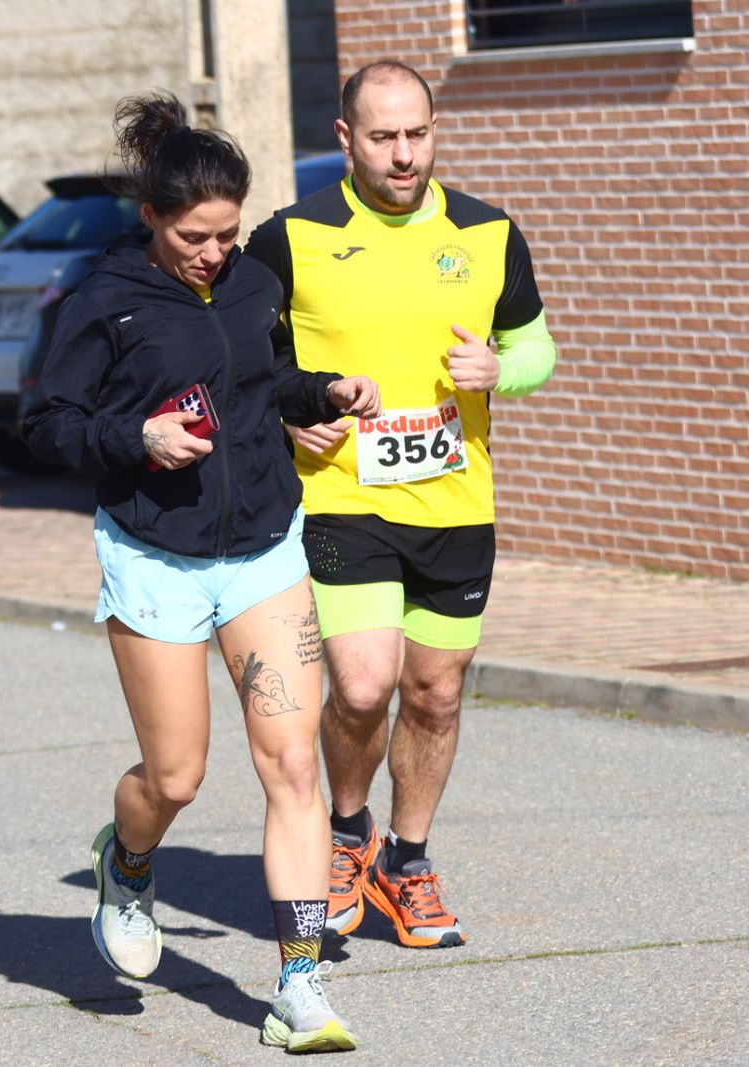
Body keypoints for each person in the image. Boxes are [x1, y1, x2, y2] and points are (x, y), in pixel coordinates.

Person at [22, 94, 381, 1054]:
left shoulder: (255, 281)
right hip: (155, 556)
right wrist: (133, 436)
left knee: (293, 764)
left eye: (227, 233)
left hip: (263, 548)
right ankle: (129, 860)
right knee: (176, 774)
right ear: (151, 216)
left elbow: (264, 378)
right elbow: (45, 423)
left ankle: (299, 983)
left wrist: (324, 390)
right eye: (195, 235)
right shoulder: (105, 297)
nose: (215, 251)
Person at [246, 61, 557, 951]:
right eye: (383, 137)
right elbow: (242, 363)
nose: (404, 154)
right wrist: (286, 417)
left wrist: (503, 370)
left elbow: (537, 348)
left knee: (435, 693)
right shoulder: (291, 238)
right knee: (364, 684)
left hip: (458, 503)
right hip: (344, 499)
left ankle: (406, 859)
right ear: (345, 139)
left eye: (417, 133)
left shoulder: (489, 233)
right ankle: (348, 835)